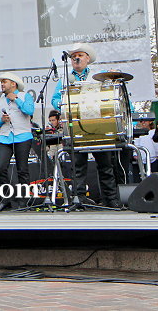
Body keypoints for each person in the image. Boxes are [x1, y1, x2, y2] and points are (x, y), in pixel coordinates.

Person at [51, 43, 122, 208]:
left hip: (98, 126)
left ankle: (110, 199)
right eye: (73, 56)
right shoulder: (65, 78)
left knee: (105, 165)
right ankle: (79, 199)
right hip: (75, 127)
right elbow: (55, 100)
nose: (76, 58)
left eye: (80, 55)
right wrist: (62, 105)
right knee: (77, 166)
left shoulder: (98, 76)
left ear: (87, 59)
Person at [0, 73, 35, 211]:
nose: (2, 84)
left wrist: (16, 99)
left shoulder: (25, 96)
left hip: (23, 136)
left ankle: (24, 201)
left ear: (13, 84)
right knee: (0, 168)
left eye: (4, 82)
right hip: (5, 137)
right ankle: (5, 200)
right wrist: (1, 120)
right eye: (1, 82)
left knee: (22, 170)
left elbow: (29, 110)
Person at [134, 115, 158, 180]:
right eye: (141, 121)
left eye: (145, 121)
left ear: (150, 122)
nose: (143, 123)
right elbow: (136, 144)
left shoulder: (154, 132)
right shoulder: (137, 132)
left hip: (154, 159)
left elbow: (156, 144)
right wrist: (135, 154)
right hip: (141, 159)